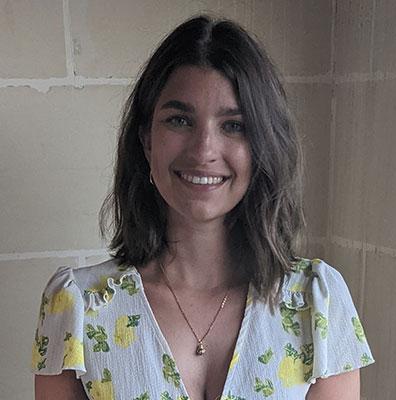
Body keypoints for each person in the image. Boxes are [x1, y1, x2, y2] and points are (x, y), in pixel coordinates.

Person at [32, 15, 374, 400]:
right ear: (147, 140)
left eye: (234, 126)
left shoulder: (318, 302)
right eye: (179, 120)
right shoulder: (78, 306)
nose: (203, 150)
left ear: (262, 143)